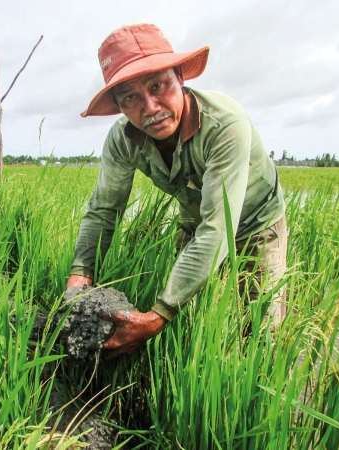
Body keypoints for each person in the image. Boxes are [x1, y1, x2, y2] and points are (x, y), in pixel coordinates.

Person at [67, 23, 287, 355]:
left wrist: (158, 315)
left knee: (260, 331)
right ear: (119, 105)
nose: (151, 107)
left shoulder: (225, 125)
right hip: (196, 219)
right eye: (131, 97)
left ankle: (257, 395)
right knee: (188, 324)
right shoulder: (122, 139)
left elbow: (219, 228)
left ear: (180, 79)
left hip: (257, 222)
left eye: (158, 86)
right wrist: (81, 274)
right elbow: (103, 210)